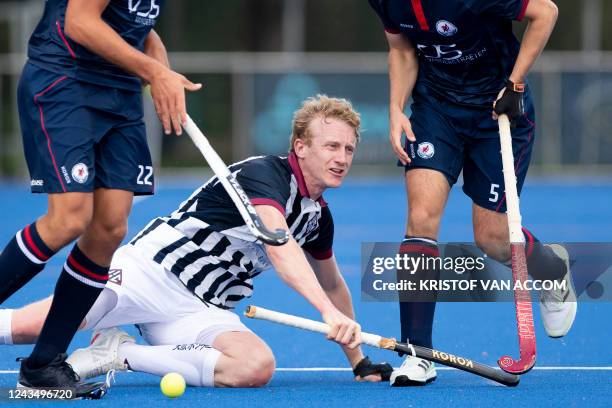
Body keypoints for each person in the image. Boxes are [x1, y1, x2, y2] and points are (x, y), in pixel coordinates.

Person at [0, 95, 393, 388]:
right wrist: (326, 312)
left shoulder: (318, 217)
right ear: (301, 147)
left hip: (200, 309)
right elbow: (279, 244)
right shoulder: (263, 175)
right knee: (32, 327)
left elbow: (332, 283)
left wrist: (358, 361)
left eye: (348, 149)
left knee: (255, 366)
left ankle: (118, 353)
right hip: (149, 272)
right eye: (331, 146)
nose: (342, 157)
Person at [368, 0, 576, 386]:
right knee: (420, 219)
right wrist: (396, 108)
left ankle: (552, 269)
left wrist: (515, 83)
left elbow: (546, 11)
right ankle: (418, 355)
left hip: (497, 110)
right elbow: (401, 49)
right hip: (437, 110)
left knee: (493, 237)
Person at [0, 0, 202, 397]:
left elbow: (137, 20)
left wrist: (157, 59)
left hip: (120, 94)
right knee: (69, 218)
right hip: (67, 82)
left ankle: (44, 365)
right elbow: (79, 22)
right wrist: (153, 71)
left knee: (109, 228)